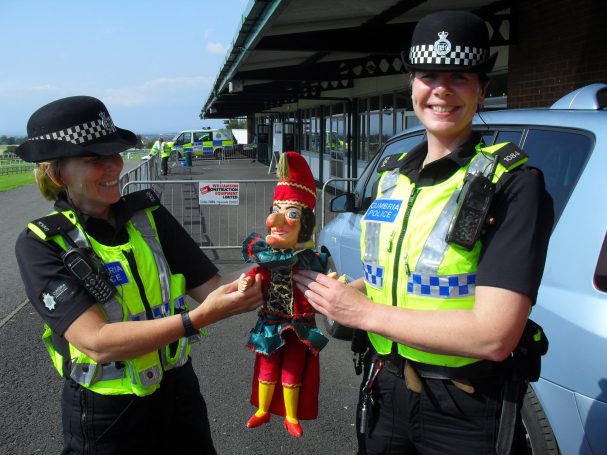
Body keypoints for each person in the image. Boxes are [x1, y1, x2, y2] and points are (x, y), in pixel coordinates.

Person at [294, 10, 554, 455]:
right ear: (412, 84)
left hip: (463, 404)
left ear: (482, 90)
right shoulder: (393, 175)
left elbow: (494, 336)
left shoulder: (512, 182)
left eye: (460, 77)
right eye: (428, 74)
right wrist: (339, 293)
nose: (441, 89)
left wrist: (361, 313)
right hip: (384, 385)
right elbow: (399, 279)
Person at [14, 95, 263, 455]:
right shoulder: (42, 243)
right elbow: (96, 341)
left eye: (114, 153)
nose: (114, 166)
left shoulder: (147, 216)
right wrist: (194, 321)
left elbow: (215, 289)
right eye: (95, 159)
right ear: (56, 173)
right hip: (108, 414)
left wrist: (277, 264)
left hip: (179, 393)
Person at [239, 152, 329, 438]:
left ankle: (291, 415)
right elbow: (256, 273)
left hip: (299, 325)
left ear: (305, 224)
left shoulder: (310, 259)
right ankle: (263, 409)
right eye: (276, 208)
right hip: (270, 321)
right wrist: (246, 281)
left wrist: (334, 282)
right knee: (267, 365)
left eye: (290, 212)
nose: (274, 218)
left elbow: (321, 281)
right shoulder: (267, 256)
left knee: (292, 369)